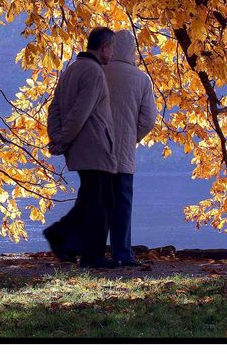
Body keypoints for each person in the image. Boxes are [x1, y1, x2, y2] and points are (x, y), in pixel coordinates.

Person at [43, 26, 118, 269]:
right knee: (100, 203)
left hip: (80, 147)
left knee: (89, 200)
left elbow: (54, 108)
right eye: (112, 48)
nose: (112, 53)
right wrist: (62, 139)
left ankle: (67, 242)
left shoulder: (71, 70)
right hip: (95, 146)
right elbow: (80, 113)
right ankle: (88, 254)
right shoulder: (94, 72)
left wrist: (56, 137)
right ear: (104, 47)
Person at [104, 29, 158, 267]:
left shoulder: (99, 72)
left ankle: (92, 252)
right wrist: (132, 137)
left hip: (97, 150)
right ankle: (122, 253)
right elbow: (148, 119)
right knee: (122, 203)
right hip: (124, 151)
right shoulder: (141, 79)